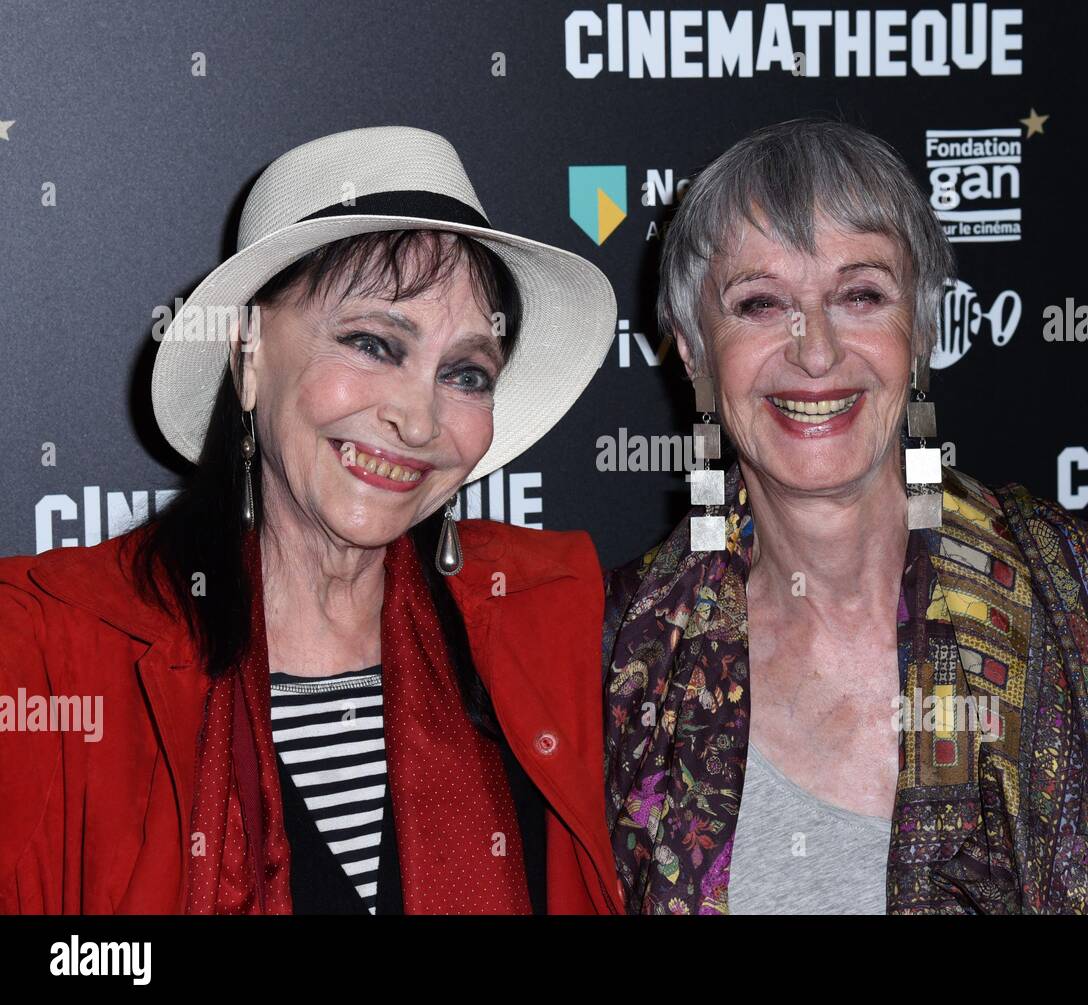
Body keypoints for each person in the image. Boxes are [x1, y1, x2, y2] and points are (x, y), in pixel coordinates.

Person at [602, 118, 1088, 915]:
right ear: (692, 352)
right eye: (759, 302)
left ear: (920, 330)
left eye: (860, 294)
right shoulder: (625, 655)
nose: (815, 350)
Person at [0, 126, 623, 914]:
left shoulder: (563, 627)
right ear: (250, 355)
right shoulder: (50, 651)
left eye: (465, 373)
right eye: (372, 343)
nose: (418, 418)